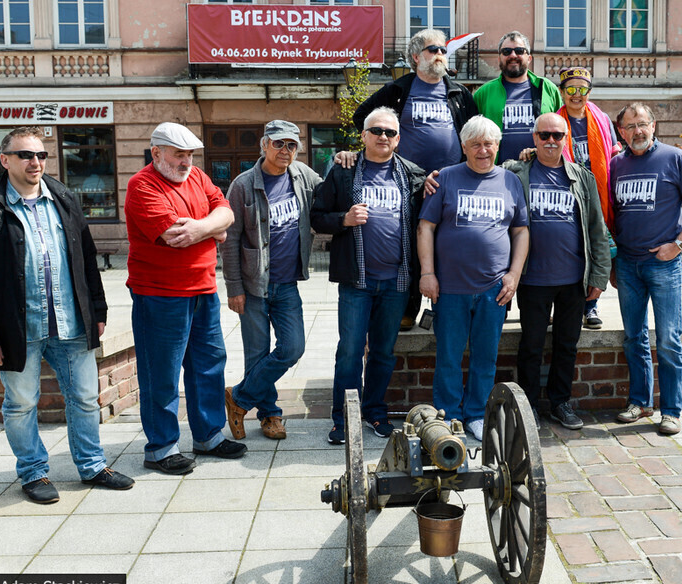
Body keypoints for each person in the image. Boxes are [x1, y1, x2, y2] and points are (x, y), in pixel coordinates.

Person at [0, 126, 133, 504]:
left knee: (83, 397)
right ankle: (33, 473)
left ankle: (92, 466)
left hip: (70, 322)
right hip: (19, 327)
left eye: (42, 155)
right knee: (20, 403)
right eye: (26, 155)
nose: (36, 162)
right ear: (5, 160)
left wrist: (97, 309)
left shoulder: (64, 198)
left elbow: (86, 261)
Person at [126, 122, 246, 475]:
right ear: (157, 153)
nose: (186, 161)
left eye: (190, 154)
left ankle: (208, 436)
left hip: (203, 288)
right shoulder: (142, 185)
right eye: (179, 154)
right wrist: (213, 228)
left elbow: (227, 213)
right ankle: (161, 447)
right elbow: (173, 235)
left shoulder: (196, 176)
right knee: (160, 373)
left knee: (208, 365)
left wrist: (202, 227)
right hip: (160, 295)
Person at [351, 28, 478, 331]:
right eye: (433, 49)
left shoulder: (459, 93)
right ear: (415, 57)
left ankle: (445, 308)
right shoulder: (398, 90)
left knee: (450, 245)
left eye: (443, 50)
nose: (440, 55)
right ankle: (409, 308)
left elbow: (472, 132)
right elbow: (362, 118)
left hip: (450, 184)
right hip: (407, 183)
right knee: (409, 243)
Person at [313, 107, 426, 445]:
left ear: (398, 138)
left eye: (390, 132)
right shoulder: (343, 172)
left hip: (397, 282)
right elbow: (317, 216)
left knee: (382, 351)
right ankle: (343, 419)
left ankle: (375, 411)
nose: (383, 137)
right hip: (357, 281)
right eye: (376, 130)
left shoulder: (413, 175)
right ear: (363, 136)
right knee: (349, 350)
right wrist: (343, 220)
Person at [418, 115, 529, 441]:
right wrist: (428, 273)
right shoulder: (445, 179)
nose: (483, 150)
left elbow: (521, 230)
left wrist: (514, 275)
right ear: (464, 146)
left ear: (497, 146)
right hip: (449, 287)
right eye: (476, 144)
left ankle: (477, 415)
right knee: (448, 358)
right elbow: (426, 227)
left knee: (485, 357)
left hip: (494, 288)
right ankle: (449, 418)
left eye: (489, 144)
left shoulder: (510, 181)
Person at [503, 113, 611, 429]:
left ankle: (561, 403)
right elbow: (480, 172)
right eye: (545, 135)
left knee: (567, 345)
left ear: (566, 140)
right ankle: (530, 407)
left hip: (573, 280)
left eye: (558, 136)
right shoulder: (516, 173)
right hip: (533, 279)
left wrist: (599, 276)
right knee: (531, 346)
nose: (551, 141)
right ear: (534, 138)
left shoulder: (582, 177)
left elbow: (596, 228)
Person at [610, 103, 682, 436]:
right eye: (630, 126)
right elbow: (610, 216)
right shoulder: (615, 165)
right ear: (621, 131)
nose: (637, 131)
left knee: (668, 338)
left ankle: (671, 410)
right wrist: (611, 259)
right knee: (633, 338)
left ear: (654, 126)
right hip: (626, 263)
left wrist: (679, 244)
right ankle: (640, 402)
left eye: (643, 124)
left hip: (664, 264)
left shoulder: (675, 158)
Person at [222, 120, 321, 441]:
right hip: (252, 287)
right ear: (264, 145)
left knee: (293, 348)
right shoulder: (243, 184)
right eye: (279, 144)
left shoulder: (304, 176)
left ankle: (238, 398)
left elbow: (334, 191)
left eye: (292, 145)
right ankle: (269, 415)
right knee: (257, 352)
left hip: (287, 283)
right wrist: (234, 288)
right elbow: (230, 240)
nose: (285, 150)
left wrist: (346, 159)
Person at [555, 67, 621, 331]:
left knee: (597, 250)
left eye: (582, 89)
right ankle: (565, 305)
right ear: (562, 92)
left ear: (589, 92)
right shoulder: (555, 121)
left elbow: (614, 155)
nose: (576, 94)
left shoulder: (602, 119)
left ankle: (591, 306)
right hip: (569, 195)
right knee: (572, 251)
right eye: (570, 89)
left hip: (599, 195)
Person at [473, 31, 562, 163]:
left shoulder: (547, 89)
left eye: (519, 51)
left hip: (540, 171)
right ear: (499, 58)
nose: (513, 55)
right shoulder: (483, 93)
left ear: (529, 58)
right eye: (506, 51)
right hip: (497, 172)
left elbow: (563, 132)